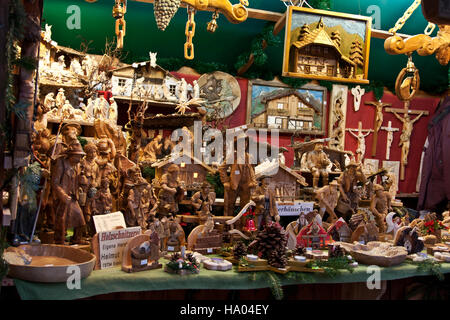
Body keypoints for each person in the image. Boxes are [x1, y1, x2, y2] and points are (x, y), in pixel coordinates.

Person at [51, 142, 87, 245]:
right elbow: (55, 182)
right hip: (63, 197)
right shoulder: (61, 164)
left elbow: (76, 181)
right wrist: (62, 195)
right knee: (61, 220)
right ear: (71, 156)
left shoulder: (77, 166)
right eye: (77, 157)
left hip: (73, 196)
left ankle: (76, 239)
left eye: (80, 157)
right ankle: (59, 241)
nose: (79, 160)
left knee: (80, 219)